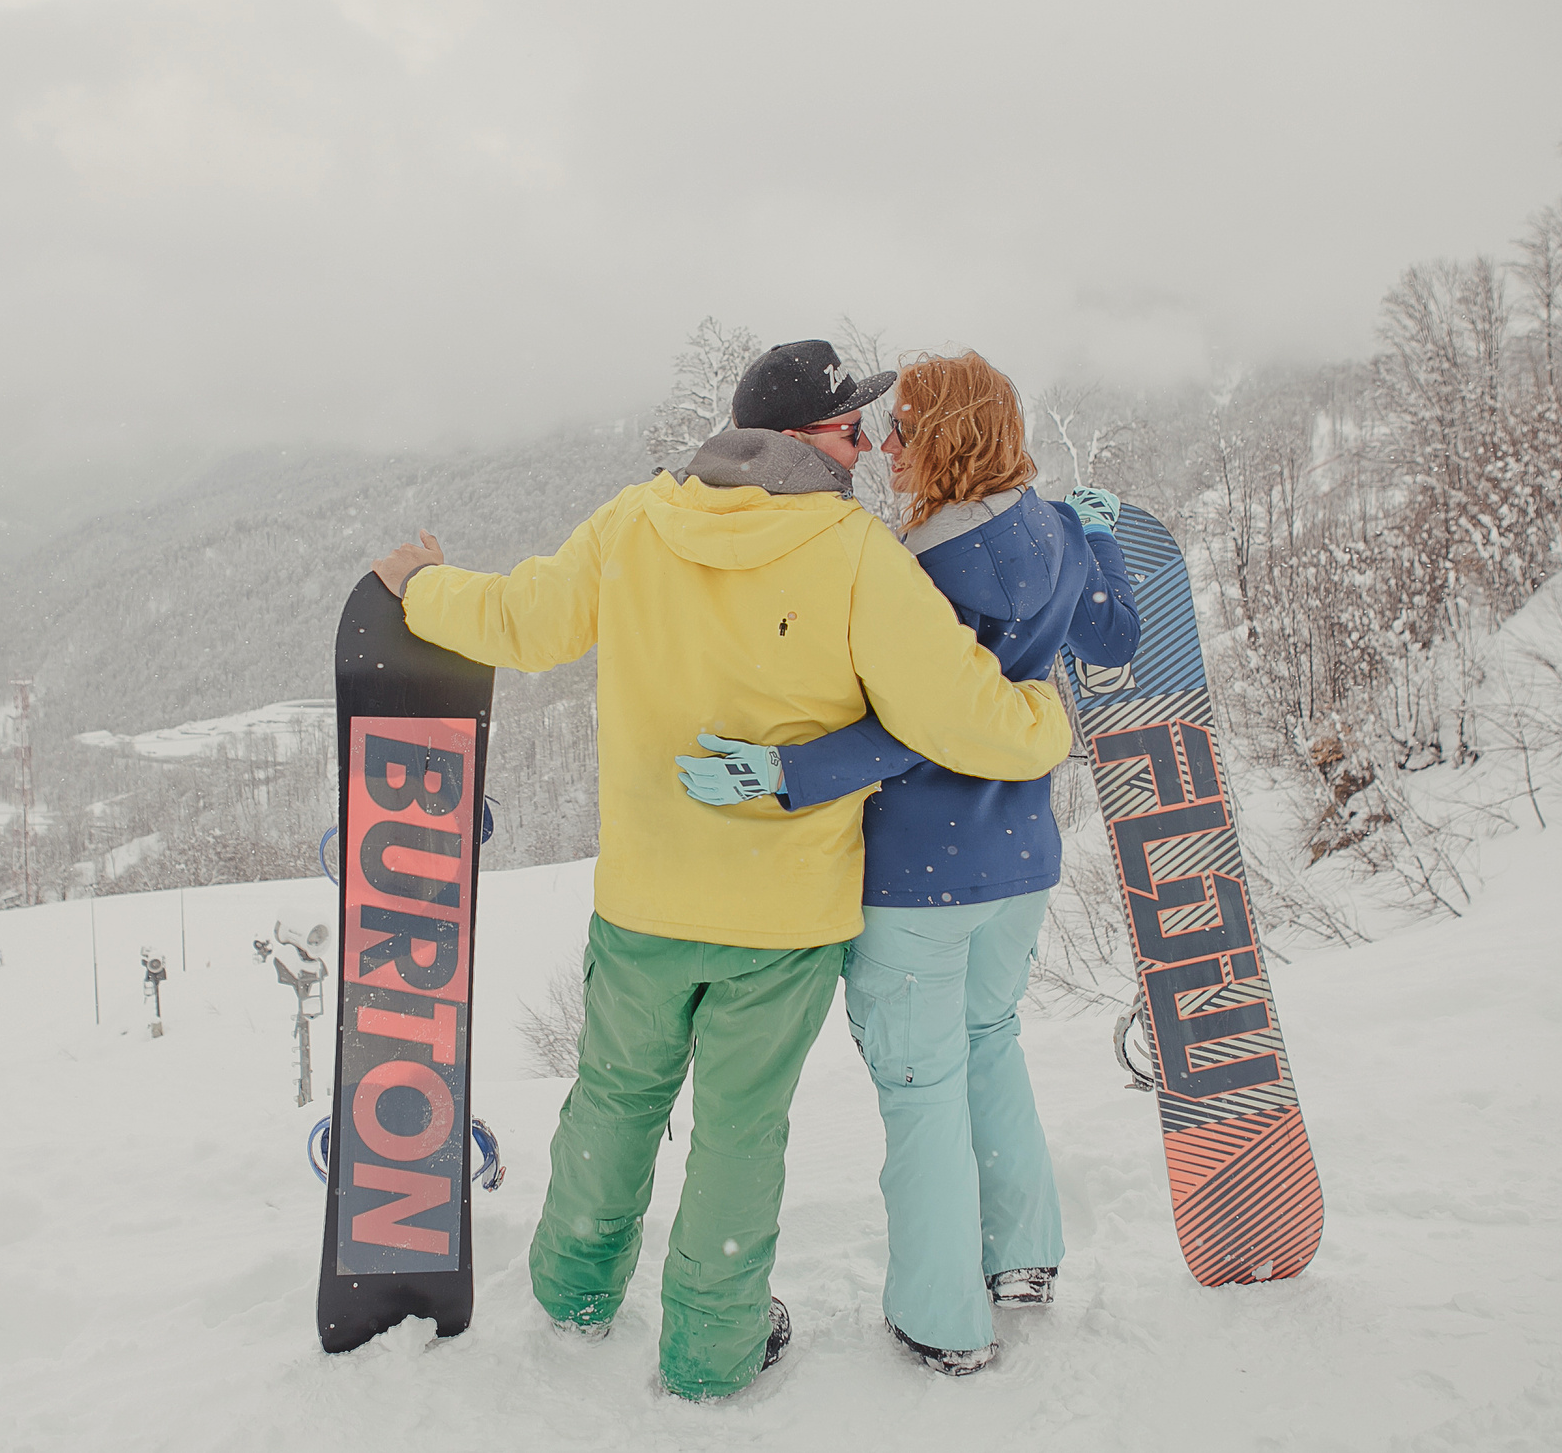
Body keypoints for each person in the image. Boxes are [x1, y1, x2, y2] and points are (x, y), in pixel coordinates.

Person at [368, 338, 1073, 1401]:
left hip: (647, 897)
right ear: (797, 437)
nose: (865, 445)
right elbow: (956, 713)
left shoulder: (638, 519)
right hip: (781, 919)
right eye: (848, 427)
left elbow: (523, 619)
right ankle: (710, 1345)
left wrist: (420, 590)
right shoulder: (853, 553)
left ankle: (573, 1288)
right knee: (740, 1128)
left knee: (614, 1094)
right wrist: (1043, 721)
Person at [678, 350, 1140, 1377]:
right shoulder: (1056, 532)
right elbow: (1119, 635)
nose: (883, 446)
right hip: (1021, 857)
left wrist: (788, 770)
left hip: (920, 872)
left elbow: (916, 724)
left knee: (920, 1085)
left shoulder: (915, 570)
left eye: (901, 429)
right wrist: (1101, 540)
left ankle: (942, 1315)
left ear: (942, 439)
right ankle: (1023, 1255)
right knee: (991, 1044)